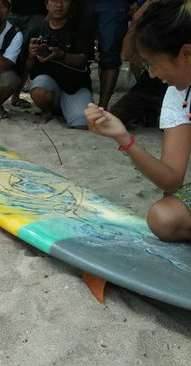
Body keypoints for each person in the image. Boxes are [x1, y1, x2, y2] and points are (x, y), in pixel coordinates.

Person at [85, 0, 191, 241]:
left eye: (152, 64)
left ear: (186, 54)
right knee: (163, 218)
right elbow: (172, 180)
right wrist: (123, 138)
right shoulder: (179, 94)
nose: (152, 74)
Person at [26, 0, 93, 128]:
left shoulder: (80, 27)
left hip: (75, 86)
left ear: (71, 4)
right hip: (48, 85)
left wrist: (60, 55)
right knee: (38, 88)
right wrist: (30, 55)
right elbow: (27, 68)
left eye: (64, 0)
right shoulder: (37, 29)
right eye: (54, 0)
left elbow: (82, 60)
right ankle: (47, 111)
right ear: (46, 4)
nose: (59, 5)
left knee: (82, 124)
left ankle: (67, 108)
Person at [109, 0, 167, 129]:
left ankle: (152, 114)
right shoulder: (150, 16)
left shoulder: (181, 17)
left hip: (174, 87)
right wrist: (135, 20)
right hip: (147, 87)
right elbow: (126, 55)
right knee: (113, 118)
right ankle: (149, 113)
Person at [81, 0, 130, 110]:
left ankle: (102, 107)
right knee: (81, 50)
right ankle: (78, 101)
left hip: (113, 4)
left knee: (110, 55)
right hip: (83, 4)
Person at [6, 0, 47, 109]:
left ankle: (16, 96)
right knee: (2, 48)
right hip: (13, 10)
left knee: (29, 54)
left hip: (37, 12)